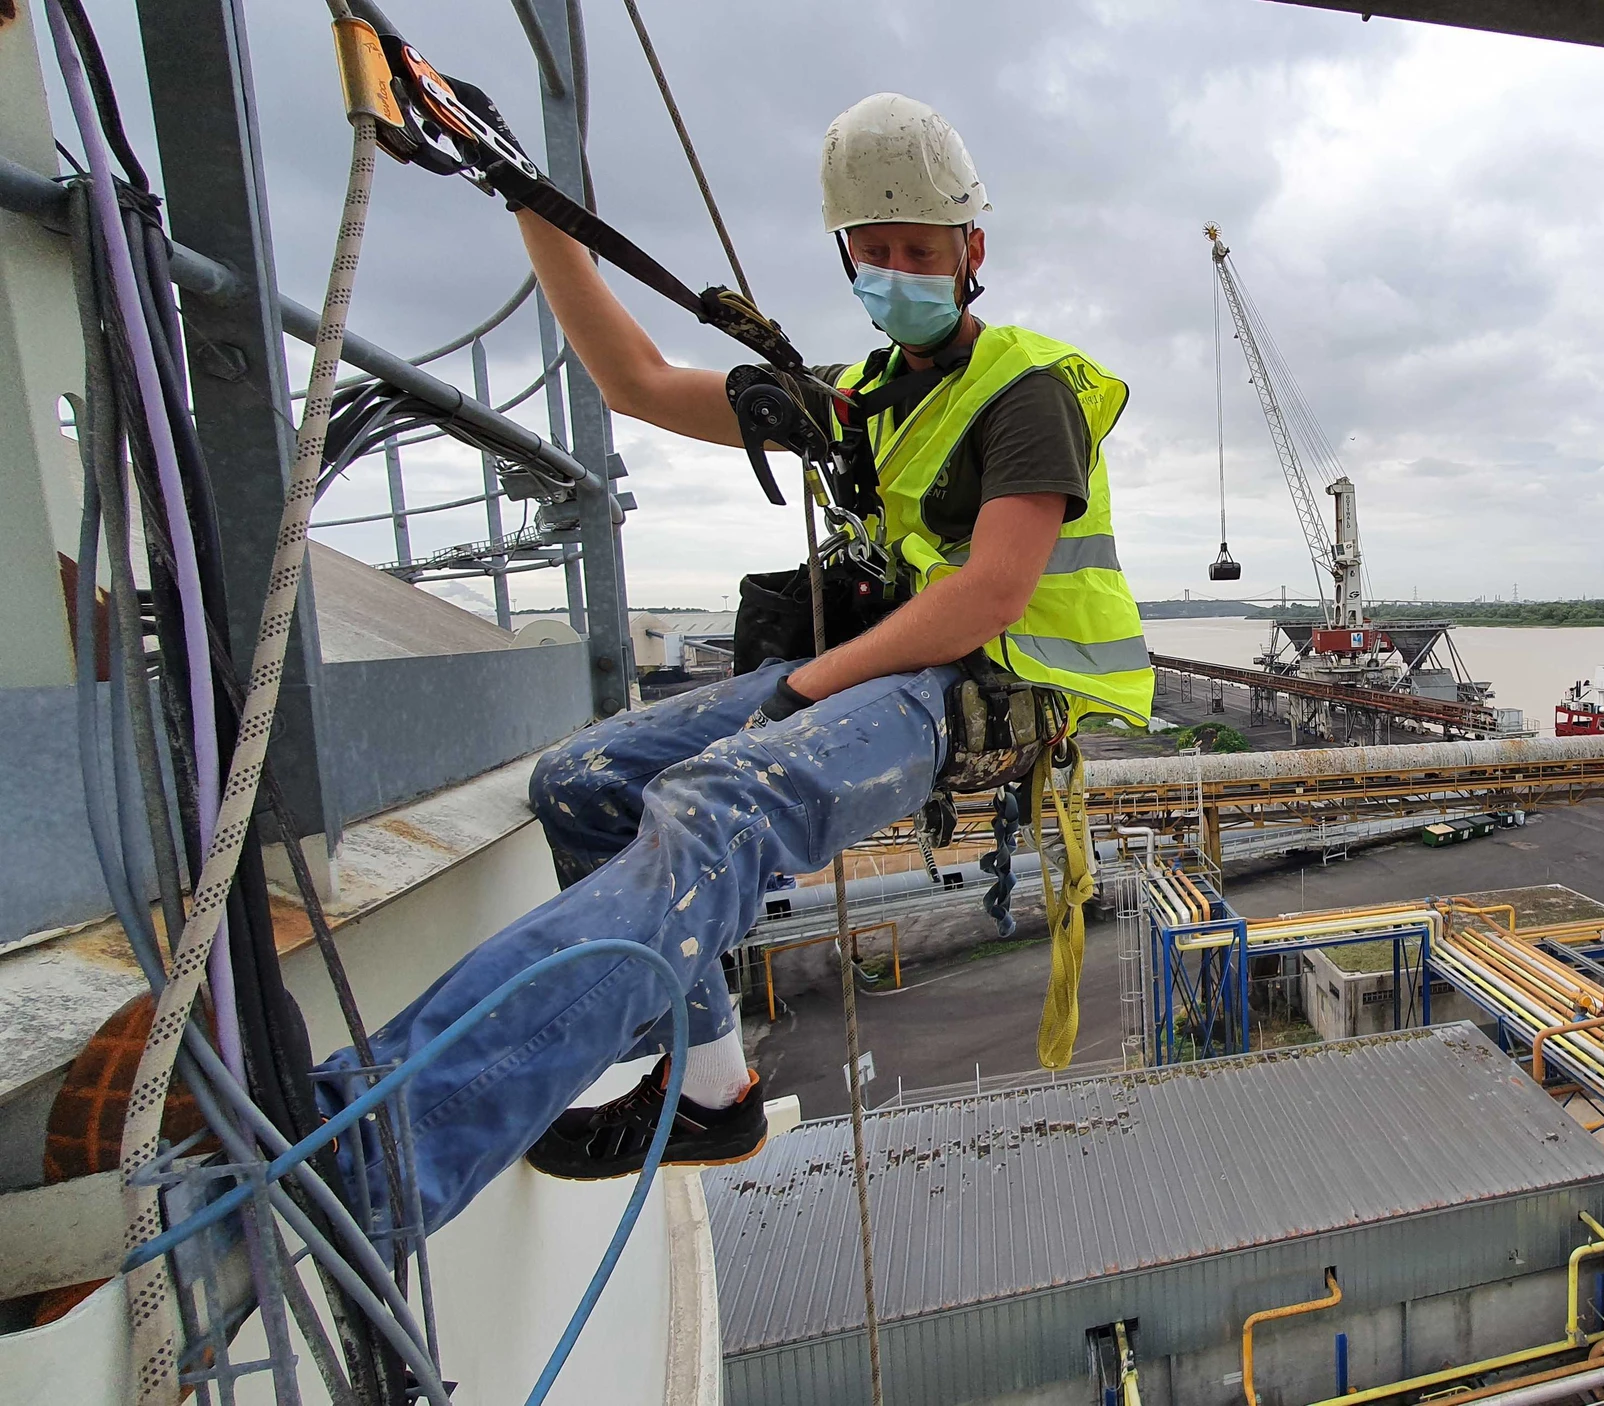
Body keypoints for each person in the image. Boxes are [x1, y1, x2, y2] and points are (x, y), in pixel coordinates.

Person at [317, 93, 1153, 1228]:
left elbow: (989, 594)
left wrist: (807, 686)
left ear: (972, 254)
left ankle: (376, 1146)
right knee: (585, 783)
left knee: (714, 807)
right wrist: (532, 208)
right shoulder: (864, 403)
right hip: (895, 665)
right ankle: (711, 1085)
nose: (898, 268)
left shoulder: (1026, 389)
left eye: (922, 249)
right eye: (876, 251)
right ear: (846, 255)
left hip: (992, 688)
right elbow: (639, 385)